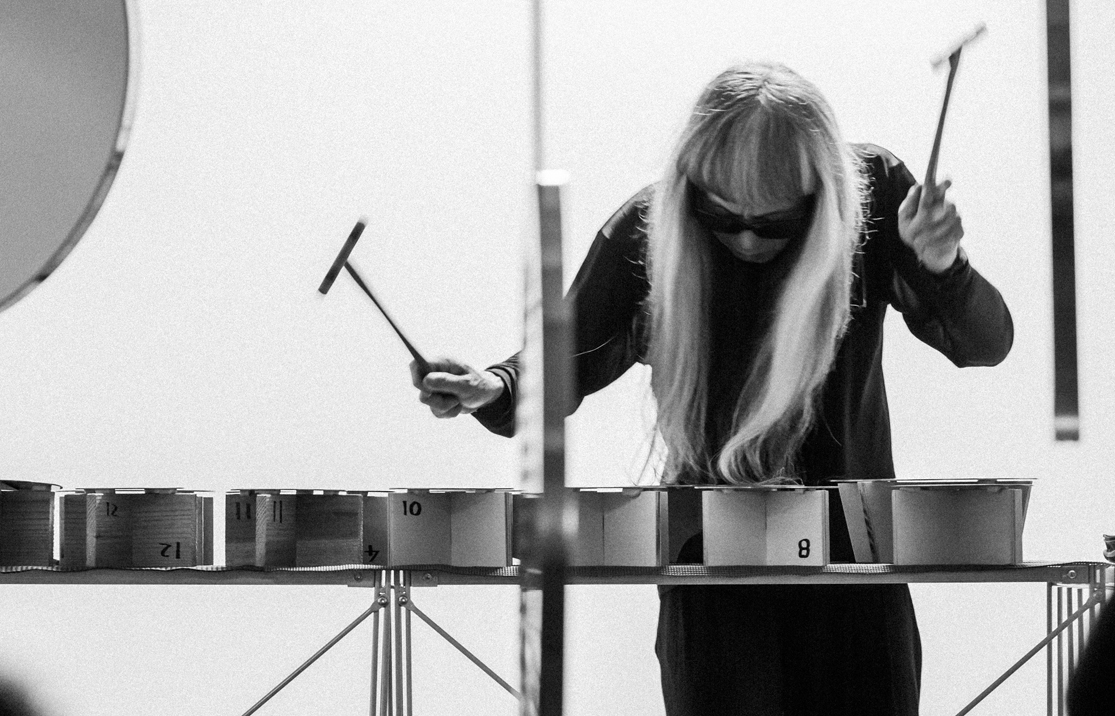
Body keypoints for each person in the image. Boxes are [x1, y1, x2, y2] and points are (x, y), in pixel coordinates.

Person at [411, 62, 1013, 716]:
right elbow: (562, 364)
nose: (747, 238)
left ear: (821, 198)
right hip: (711, 577)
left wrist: (943, 264)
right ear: (692, 190)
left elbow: (984, 343)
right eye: (721, 217)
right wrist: (493, 386)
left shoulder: (874, 199)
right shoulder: (648, 230)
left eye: (774, 224)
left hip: (854, 574)